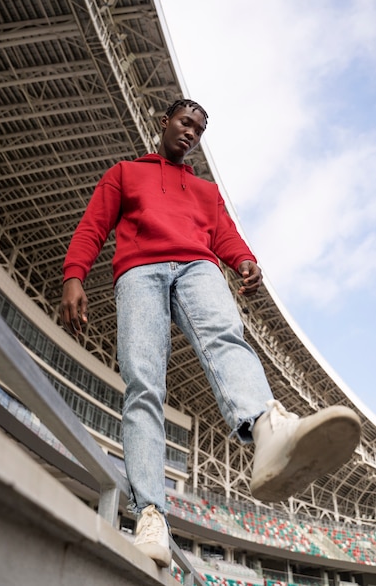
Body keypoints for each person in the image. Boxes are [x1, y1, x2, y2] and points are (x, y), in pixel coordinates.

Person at [60, 99, 361, 568]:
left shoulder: (205, 190)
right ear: (165, 123)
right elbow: (93, 227)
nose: (191, 133)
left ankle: (267, 431)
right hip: (139, 272)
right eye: (185, 123)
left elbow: (225, 235)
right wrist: (74, 275)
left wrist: (244, 260)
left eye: (199, 129)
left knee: (226, 336)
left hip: (198, 266)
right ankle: (150, 515)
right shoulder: (124, 173)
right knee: (144, 385)